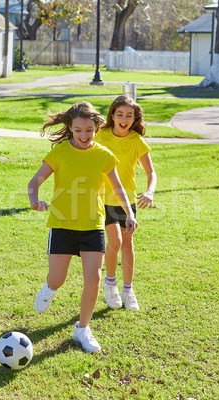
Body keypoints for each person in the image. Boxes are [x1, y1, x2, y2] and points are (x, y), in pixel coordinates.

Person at [28, 101, 137, 353]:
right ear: (71, 128)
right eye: (78, 131)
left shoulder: (103, 155)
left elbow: (119, 188)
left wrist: (129, 213)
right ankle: (50, 288)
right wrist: (34, 199)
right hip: (62, 224)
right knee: (58, 278)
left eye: (89, 130)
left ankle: (83, 328)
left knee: (94, 278)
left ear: (96, 127)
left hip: (93, 225)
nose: (84, 136)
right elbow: (36, 180)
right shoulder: (59, 153)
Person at [96, 95, 157, 311]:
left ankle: (128, 289)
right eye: (119, 114)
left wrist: (149, 191)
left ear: (134, 119)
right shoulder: (99, 134)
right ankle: (110, 283)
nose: (124, 119)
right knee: (116, 241)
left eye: (129, 115)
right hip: (102, 198)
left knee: (127, 243)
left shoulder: (136, 141)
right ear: (112, 115)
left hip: (127, 200)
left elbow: (151, 172)